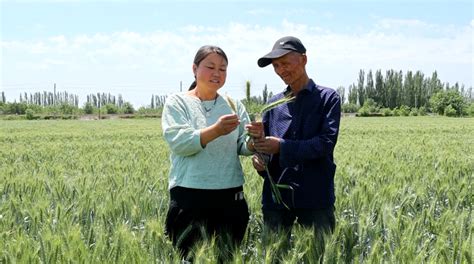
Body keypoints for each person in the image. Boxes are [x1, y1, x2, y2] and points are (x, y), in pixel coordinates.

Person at [247, 36, 341, 262]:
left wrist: (281, 146)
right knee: (274, 257)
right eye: (276, 66)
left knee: (321, 257)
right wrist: (260, 159)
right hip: (276, 199)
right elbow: (267, 152)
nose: (280, 70)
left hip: (315, 196)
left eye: (285, 63)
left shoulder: (328, 98)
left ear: (304, 59)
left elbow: (325, 143)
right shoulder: (273, 104)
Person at [161, 45, 256, 261]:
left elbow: (242, 145)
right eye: (210, 66)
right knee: (189, 257)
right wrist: (216, 130)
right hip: (190, 196)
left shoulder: (233, 104)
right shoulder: (178, 102)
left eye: (223, 69)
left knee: (228, 257)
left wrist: (254, 141)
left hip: (230, 196)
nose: (217, 73)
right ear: (195, 68)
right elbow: (181, 142)